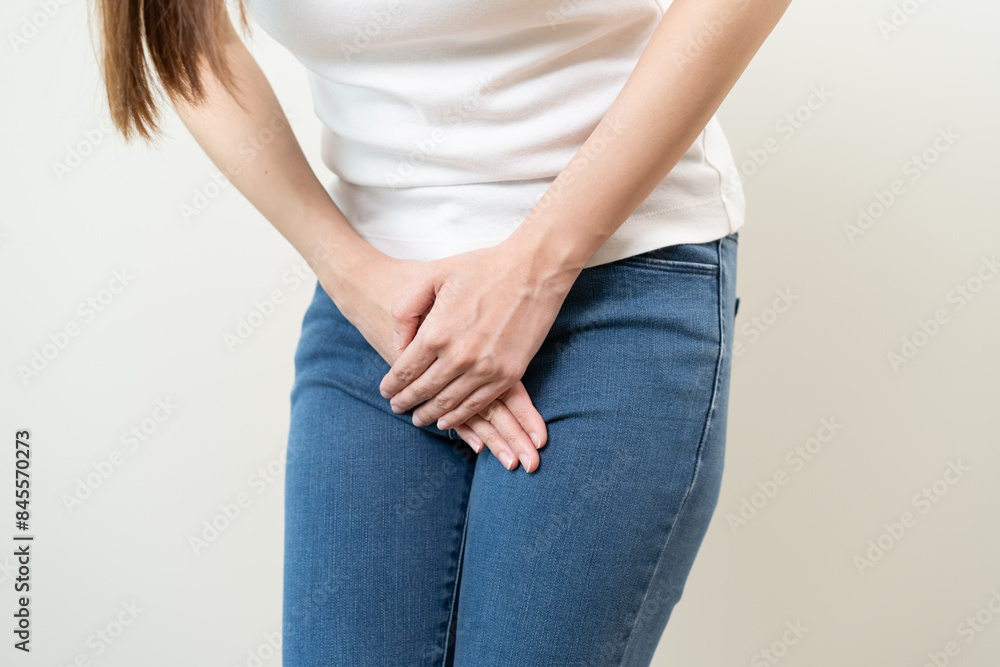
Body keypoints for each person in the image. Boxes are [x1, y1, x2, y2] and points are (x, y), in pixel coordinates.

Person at [93, 0, 791, 663]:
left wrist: (536, 269)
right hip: (377, 312)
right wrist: (351, 275)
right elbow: (182, 33)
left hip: (615, 270)